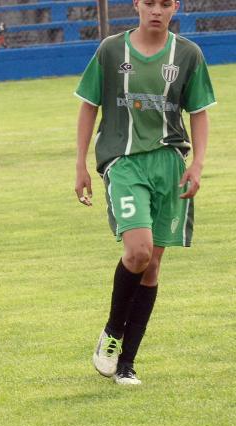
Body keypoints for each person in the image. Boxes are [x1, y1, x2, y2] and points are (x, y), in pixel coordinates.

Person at [75, 0, 214, 386]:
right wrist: (80, 165)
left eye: (164, 3)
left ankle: (126, 364)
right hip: (123, 161)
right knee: (137, 251)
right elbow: (89, 106)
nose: (156, 10)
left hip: (168, 163)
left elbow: (199, 113)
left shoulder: (187, 54)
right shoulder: (110, 50)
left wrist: (197, 165)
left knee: (152, 264)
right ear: (136, 4)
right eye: (149, 2)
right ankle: (112, 332)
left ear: (175, 7)